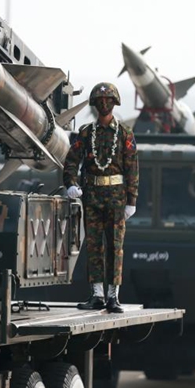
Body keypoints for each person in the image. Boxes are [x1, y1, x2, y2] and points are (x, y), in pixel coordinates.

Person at [63, 82, 138, 313]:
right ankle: (96, 294)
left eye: (108, 101)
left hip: (116, 199)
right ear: (95, 105)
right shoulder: (85, 133)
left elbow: (132, 169)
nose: (104, 105)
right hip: (92, 197)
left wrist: (131, 201)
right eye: (100, 101)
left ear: (114, 104)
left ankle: (113, 296)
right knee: (94, 246)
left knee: (115, 246)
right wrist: (71, 185)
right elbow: (71, 163)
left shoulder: (125, 134)